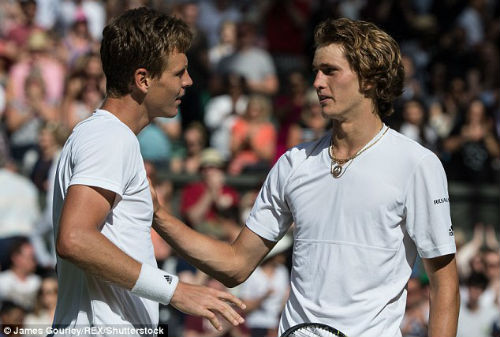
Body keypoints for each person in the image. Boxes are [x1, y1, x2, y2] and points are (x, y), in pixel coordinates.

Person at [151, 18, 459, 337]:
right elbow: (235, 265)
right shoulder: (293, 163)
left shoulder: (417, 164)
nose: (317, 82)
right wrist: (159, 216)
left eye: (330, 70)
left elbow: (445, 286)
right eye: (316, 70)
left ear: (368, 79)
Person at [51, 7, 245, 336]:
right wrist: (176, 290)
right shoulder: (110, 137)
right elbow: (74, 238)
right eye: (178, 72)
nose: (188, 81)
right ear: (143, 80)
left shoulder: (106, 136)